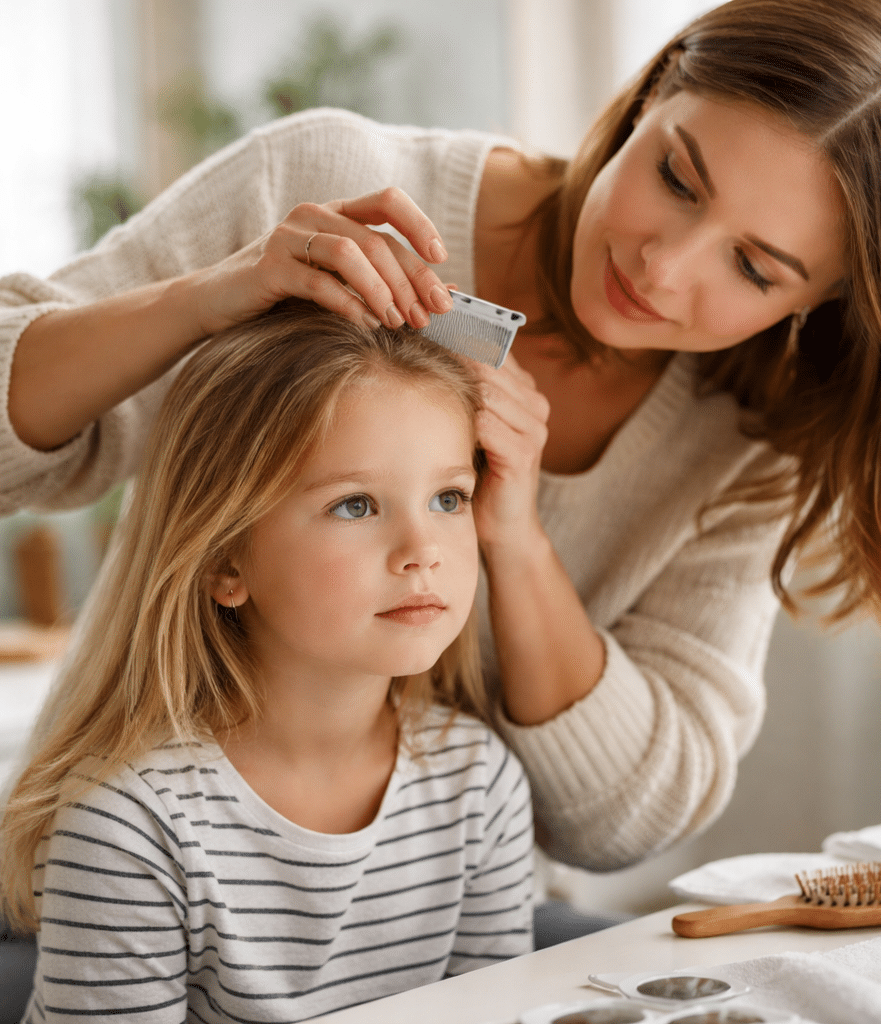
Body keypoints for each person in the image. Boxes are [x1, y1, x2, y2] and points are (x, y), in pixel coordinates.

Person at [0, 0, 881, 871]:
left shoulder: (748, 442)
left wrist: (514, 538)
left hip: (428, 921)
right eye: (678, 178)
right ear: (653, 91)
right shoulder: (329, 181)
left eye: (753, 268)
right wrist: (205, 299)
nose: (662, 268)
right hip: (138, 871)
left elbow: (629, 819)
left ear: (827, 303)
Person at [0, 302, 534, 1019]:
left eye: (448, 497)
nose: (423, 549)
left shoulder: (481, 785)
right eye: (355, 505)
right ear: (225, 560)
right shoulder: (127, 824)